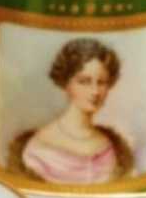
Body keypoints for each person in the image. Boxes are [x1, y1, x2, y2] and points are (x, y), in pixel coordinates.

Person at [8, 37, 135, 185]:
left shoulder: (111, 149)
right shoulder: (40, 148)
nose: (95, 91)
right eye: (84, 81)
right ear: (66, 84)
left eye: (101, 82)